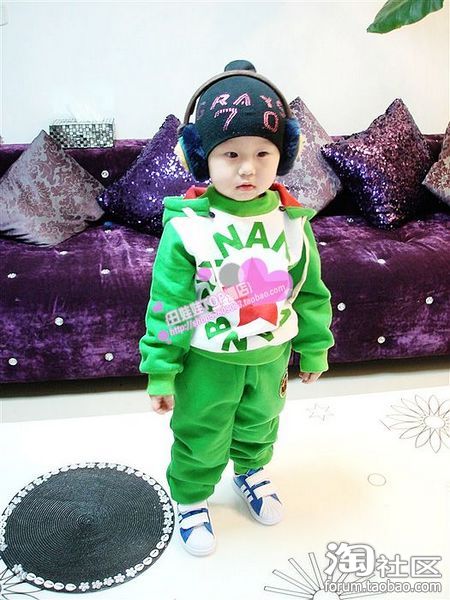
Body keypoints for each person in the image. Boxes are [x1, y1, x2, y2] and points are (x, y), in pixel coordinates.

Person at [139, 59, 335, 557]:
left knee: (260, 423)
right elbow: (170, 304)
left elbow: (310, 291)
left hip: (270, 357)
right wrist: (161, 369)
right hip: (208, 361)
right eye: (230, 154)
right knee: (201, 432)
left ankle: (250, 471)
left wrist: (314, 347)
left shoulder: (293, 223)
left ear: (284, 154)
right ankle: (191, 496)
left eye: (262, 153)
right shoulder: (187, 228)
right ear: (200, 156)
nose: (248, 168)